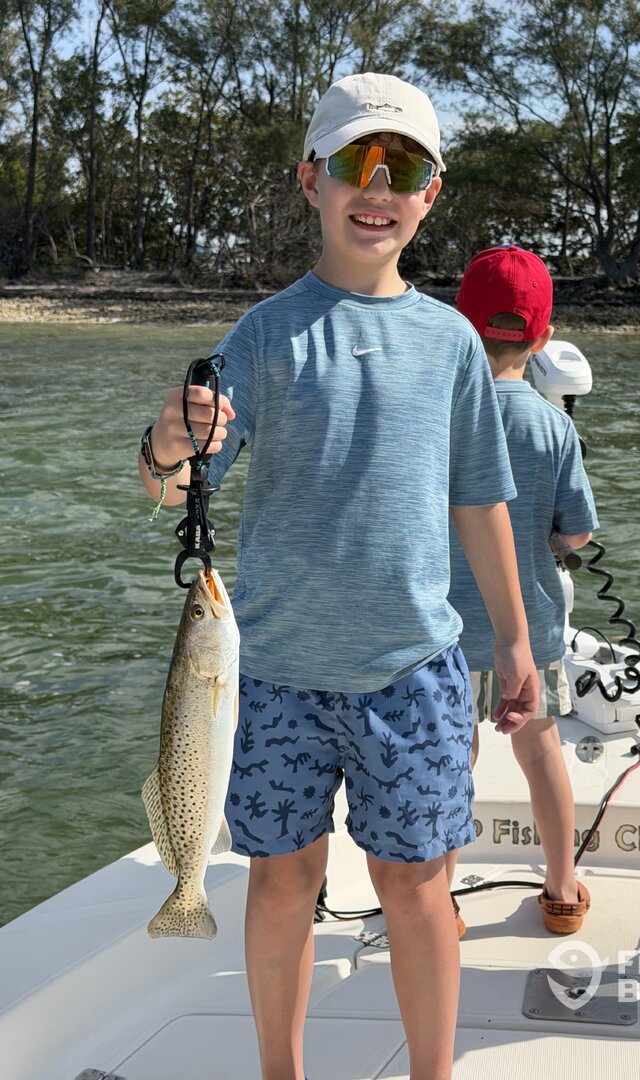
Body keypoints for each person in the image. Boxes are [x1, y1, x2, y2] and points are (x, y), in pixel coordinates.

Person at [138, 72, 539, 1080]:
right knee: (282, 882)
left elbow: (481, 499)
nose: (377, 186)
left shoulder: (453, 342)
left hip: (416, 670)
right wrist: (166, 443)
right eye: (356, 161)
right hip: (273, 675)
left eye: (402, 167)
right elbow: (175, 482)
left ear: (431, 193)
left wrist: (515, 637)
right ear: (311, 179)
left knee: (418, 887)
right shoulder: (262, 336)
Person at [444, 247, 599, 937]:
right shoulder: (553, 424)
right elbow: (578, 532)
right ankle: (562, 890)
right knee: (541, 755)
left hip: (446, 630)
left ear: (458, 325)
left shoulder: (439, 417)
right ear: (543, 340)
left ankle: (438, 902)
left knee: (452, 761)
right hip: (529, 634)